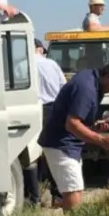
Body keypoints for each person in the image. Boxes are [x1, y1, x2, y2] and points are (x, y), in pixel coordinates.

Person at [38, 62, 109, 210]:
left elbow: (75, 120)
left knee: (76, 189)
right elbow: (72, 124)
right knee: (73, 191)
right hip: (61, 144)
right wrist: (101, 140)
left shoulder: (92, 81)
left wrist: (93, 127)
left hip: (68, 143)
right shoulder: (86, 88)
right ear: (107, 77)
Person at [22, 38, 67, 205]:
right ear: (39, 48)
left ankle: (33, 197)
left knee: (31, 155)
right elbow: (63, 87)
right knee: (54, 152)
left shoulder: (22, 65)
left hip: (31, 110)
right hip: (52, 109)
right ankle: (58, 196)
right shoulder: (52, 65)